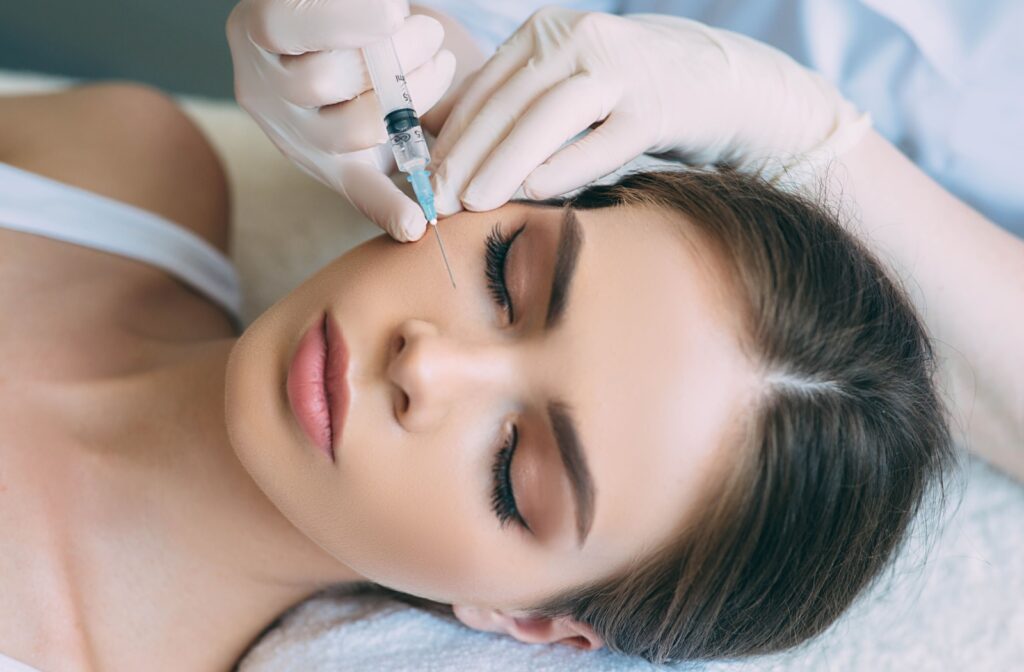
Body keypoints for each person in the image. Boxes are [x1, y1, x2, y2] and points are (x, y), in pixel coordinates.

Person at [0, 12, 1019, 672]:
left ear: (525, 619)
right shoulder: (121, 158)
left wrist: (807, 130)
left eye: (510, 469)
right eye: (504, 277)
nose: (425, 365)